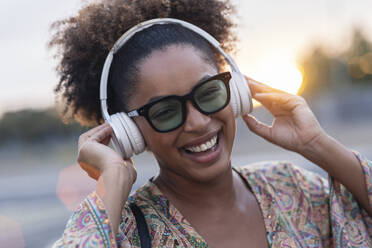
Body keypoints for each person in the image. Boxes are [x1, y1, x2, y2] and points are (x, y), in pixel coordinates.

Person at [50, 0, 372, 247]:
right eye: (165, 112)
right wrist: (112, 179)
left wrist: (317, 145)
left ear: (235, 91)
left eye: (209, 92)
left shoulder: (291, 188)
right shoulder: (127, 232)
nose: (198, 121)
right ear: (130, 133)